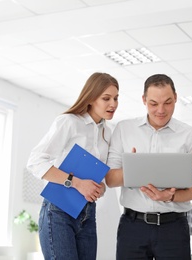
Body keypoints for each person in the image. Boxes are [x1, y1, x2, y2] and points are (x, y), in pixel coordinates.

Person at [105, 74, 192, 260]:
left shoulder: (191, 136)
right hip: (133, 227)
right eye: (153, 103)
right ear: (143, 100)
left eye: (167, 102)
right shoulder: (124, 129)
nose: (161, 110)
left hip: (173, 228)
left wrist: (170, 196)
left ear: (175, 97)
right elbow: (110, 179)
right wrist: (133, 170)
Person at [26, 72, 119, 260]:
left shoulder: (108, 133)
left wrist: (99, 188)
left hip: (87, 213)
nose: (113, 104)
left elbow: (100, 179)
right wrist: (76, 183)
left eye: (116, 98)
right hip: (58, 211)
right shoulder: (69, 122)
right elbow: (35, 162)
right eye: (106, 98)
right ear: (92, 98)